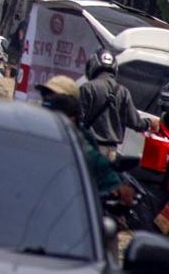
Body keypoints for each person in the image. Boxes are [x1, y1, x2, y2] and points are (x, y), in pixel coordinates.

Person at [36, 76, 135, 206]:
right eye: (45, 97)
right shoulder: (29, 135)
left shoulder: (82, 149)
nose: (48, 103)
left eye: (55, 98)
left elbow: (107, 181)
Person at [79, 51, 158, 160]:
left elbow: (79, 120)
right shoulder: (123, 92)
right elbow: (135, 123)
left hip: (90, 148)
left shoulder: (87, 88)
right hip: (111, 152)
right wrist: (149, 123)